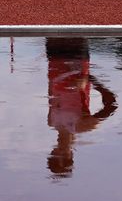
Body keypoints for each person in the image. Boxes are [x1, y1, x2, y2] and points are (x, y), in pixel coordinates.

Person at [44, 36, 117, 176]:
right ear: (70, 155)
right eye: (63, 156)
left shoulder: (51, 122)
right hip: (76, 60)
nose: (59, 152)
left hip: (54, 60)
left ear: (52, 152)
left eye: (55, 156)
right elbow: (111, 105)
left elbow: (51, 90)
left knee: (53, 21)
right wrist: (89, 79)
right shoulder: (82, 126)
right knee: (77, 24)